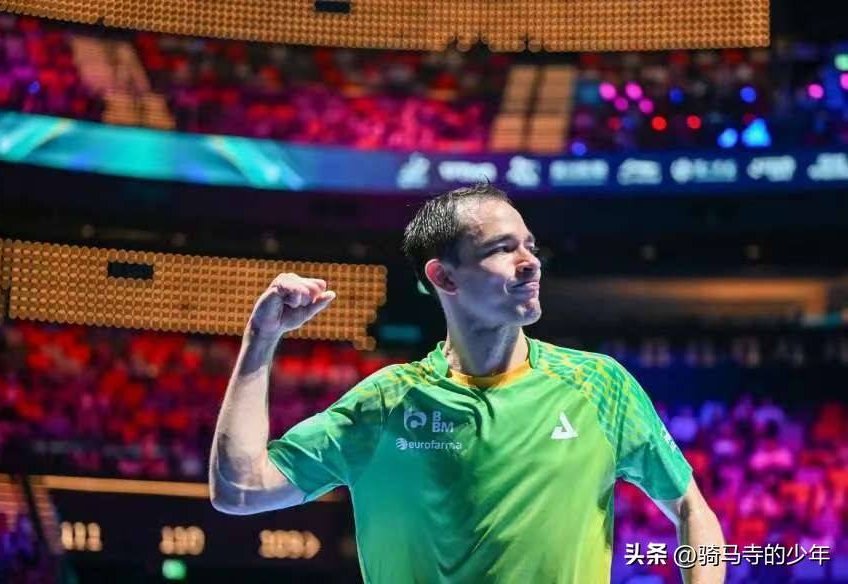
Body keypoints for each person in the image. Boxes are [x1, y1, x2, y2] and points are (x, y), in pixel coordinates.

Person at [209, 183, 725, 583]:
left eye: (530, 246)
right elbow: (240, 489)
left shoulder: (599, 385)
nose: (531, 263)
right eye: (503, 249)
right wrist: (261, 339)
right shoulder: (387, 403)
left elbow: (692, 511)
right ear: (444, 277)